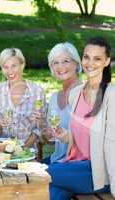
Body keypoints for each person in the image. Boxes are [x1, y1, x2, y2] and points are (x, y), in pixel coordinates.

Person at [47, 36, 115, 199]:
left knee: (41, 173)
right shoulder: (76, 93)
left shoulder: (110, 94)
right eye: (87, 57)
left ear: (106, 62)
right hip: (73, 166)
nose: (90, 63)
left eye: (97, 59)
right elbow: (77, 137)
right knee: (52, 194)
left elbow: (112, 145)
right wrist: (65, 136)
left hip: (97, 173)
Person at [0, 48, 46, 148]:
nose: (10, 71)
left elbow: (40, 128)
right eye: (6, 67)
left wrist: (23, 149)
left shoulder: (37, 91)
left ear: (22, 65)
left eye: (14, 66)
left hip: (28, 150)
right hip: (2, 151)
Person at [41, 42, 82, 164]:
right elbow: (50, 141)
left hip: (77, 163)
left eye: (66, 61)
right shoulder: (54, 98)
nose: (61, 66)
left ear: (76, 63)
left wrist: (67, 137)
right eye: (55, 62)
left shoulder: (85, 94)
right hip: (57, 160)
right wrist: (45, 131)